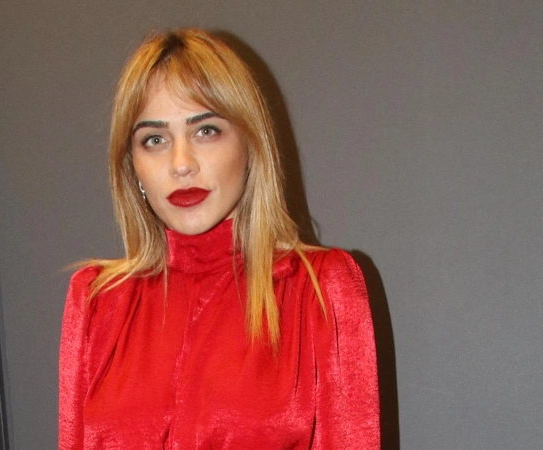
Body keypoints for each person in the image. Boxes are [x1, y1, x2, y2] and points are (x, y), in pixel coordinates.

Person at [59, 28, 380, 449]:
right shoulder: (97, 301)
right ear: (132, 165)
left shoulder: (320, 289)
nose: (181, 164)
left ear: (250, 143)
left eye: (206, 131)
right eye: (154, 139)